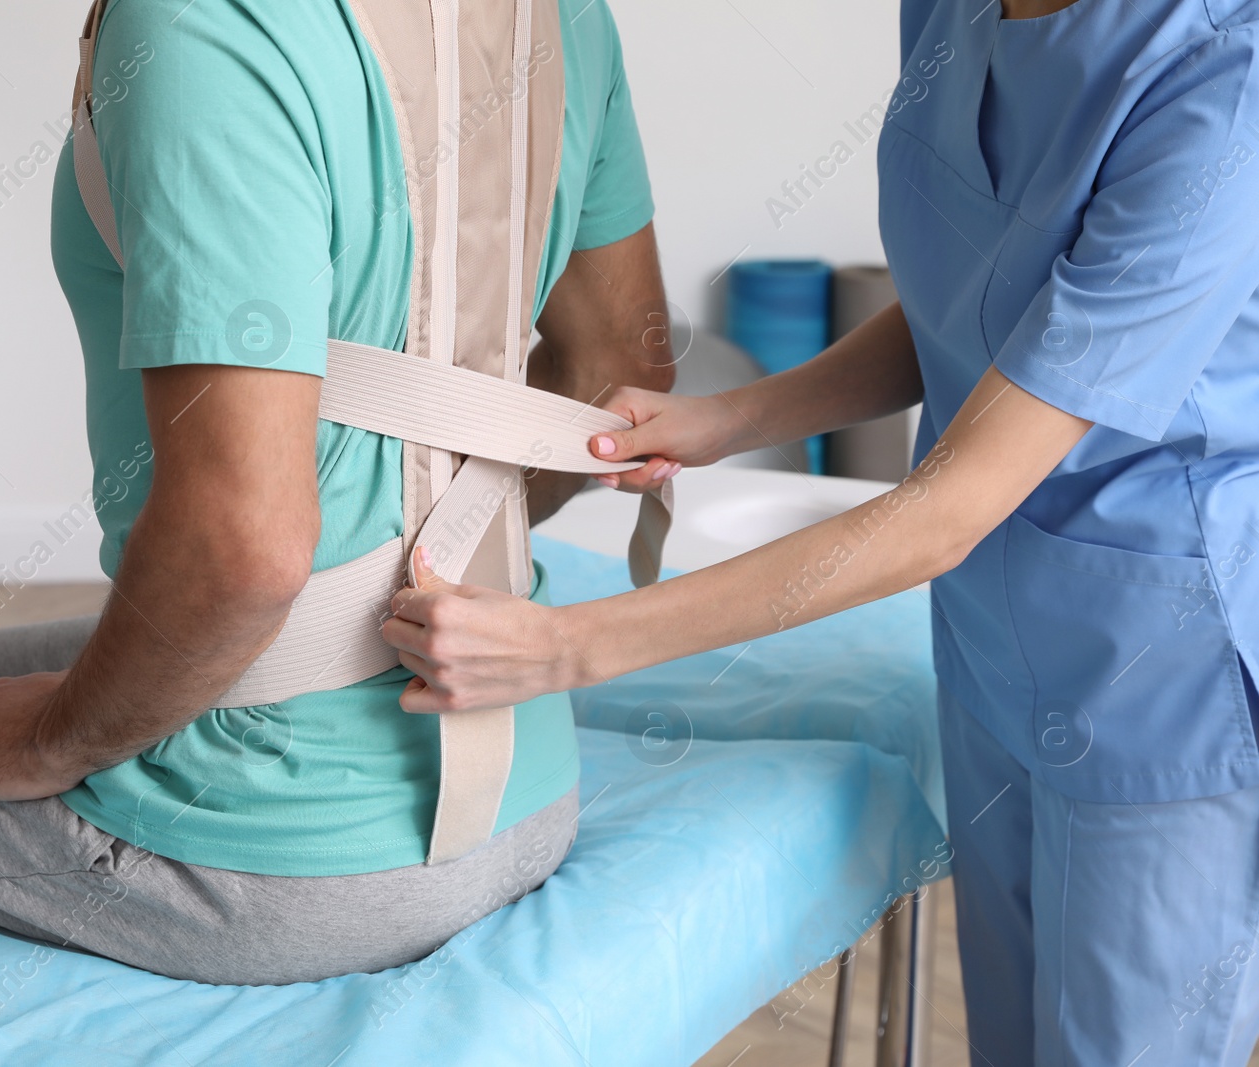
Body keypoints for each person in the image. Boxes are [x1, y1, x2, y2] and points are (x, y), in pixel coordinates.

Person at [0, 0, 672, 985]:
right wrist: (424, 564)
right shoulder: (558, 11)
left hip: (291, 862)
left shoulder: (202, 26)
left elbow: (243, 553)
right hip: (528, 779)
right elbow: (621, 376)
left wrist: (46, 740)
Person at [385, 0, 1259, 1060]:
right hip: (990, 628)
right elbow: (985, 294)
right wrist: (728, 419)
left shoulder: (1219, 88)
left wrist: (567, 646)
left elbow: (944, 510)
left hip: (1157, 673)